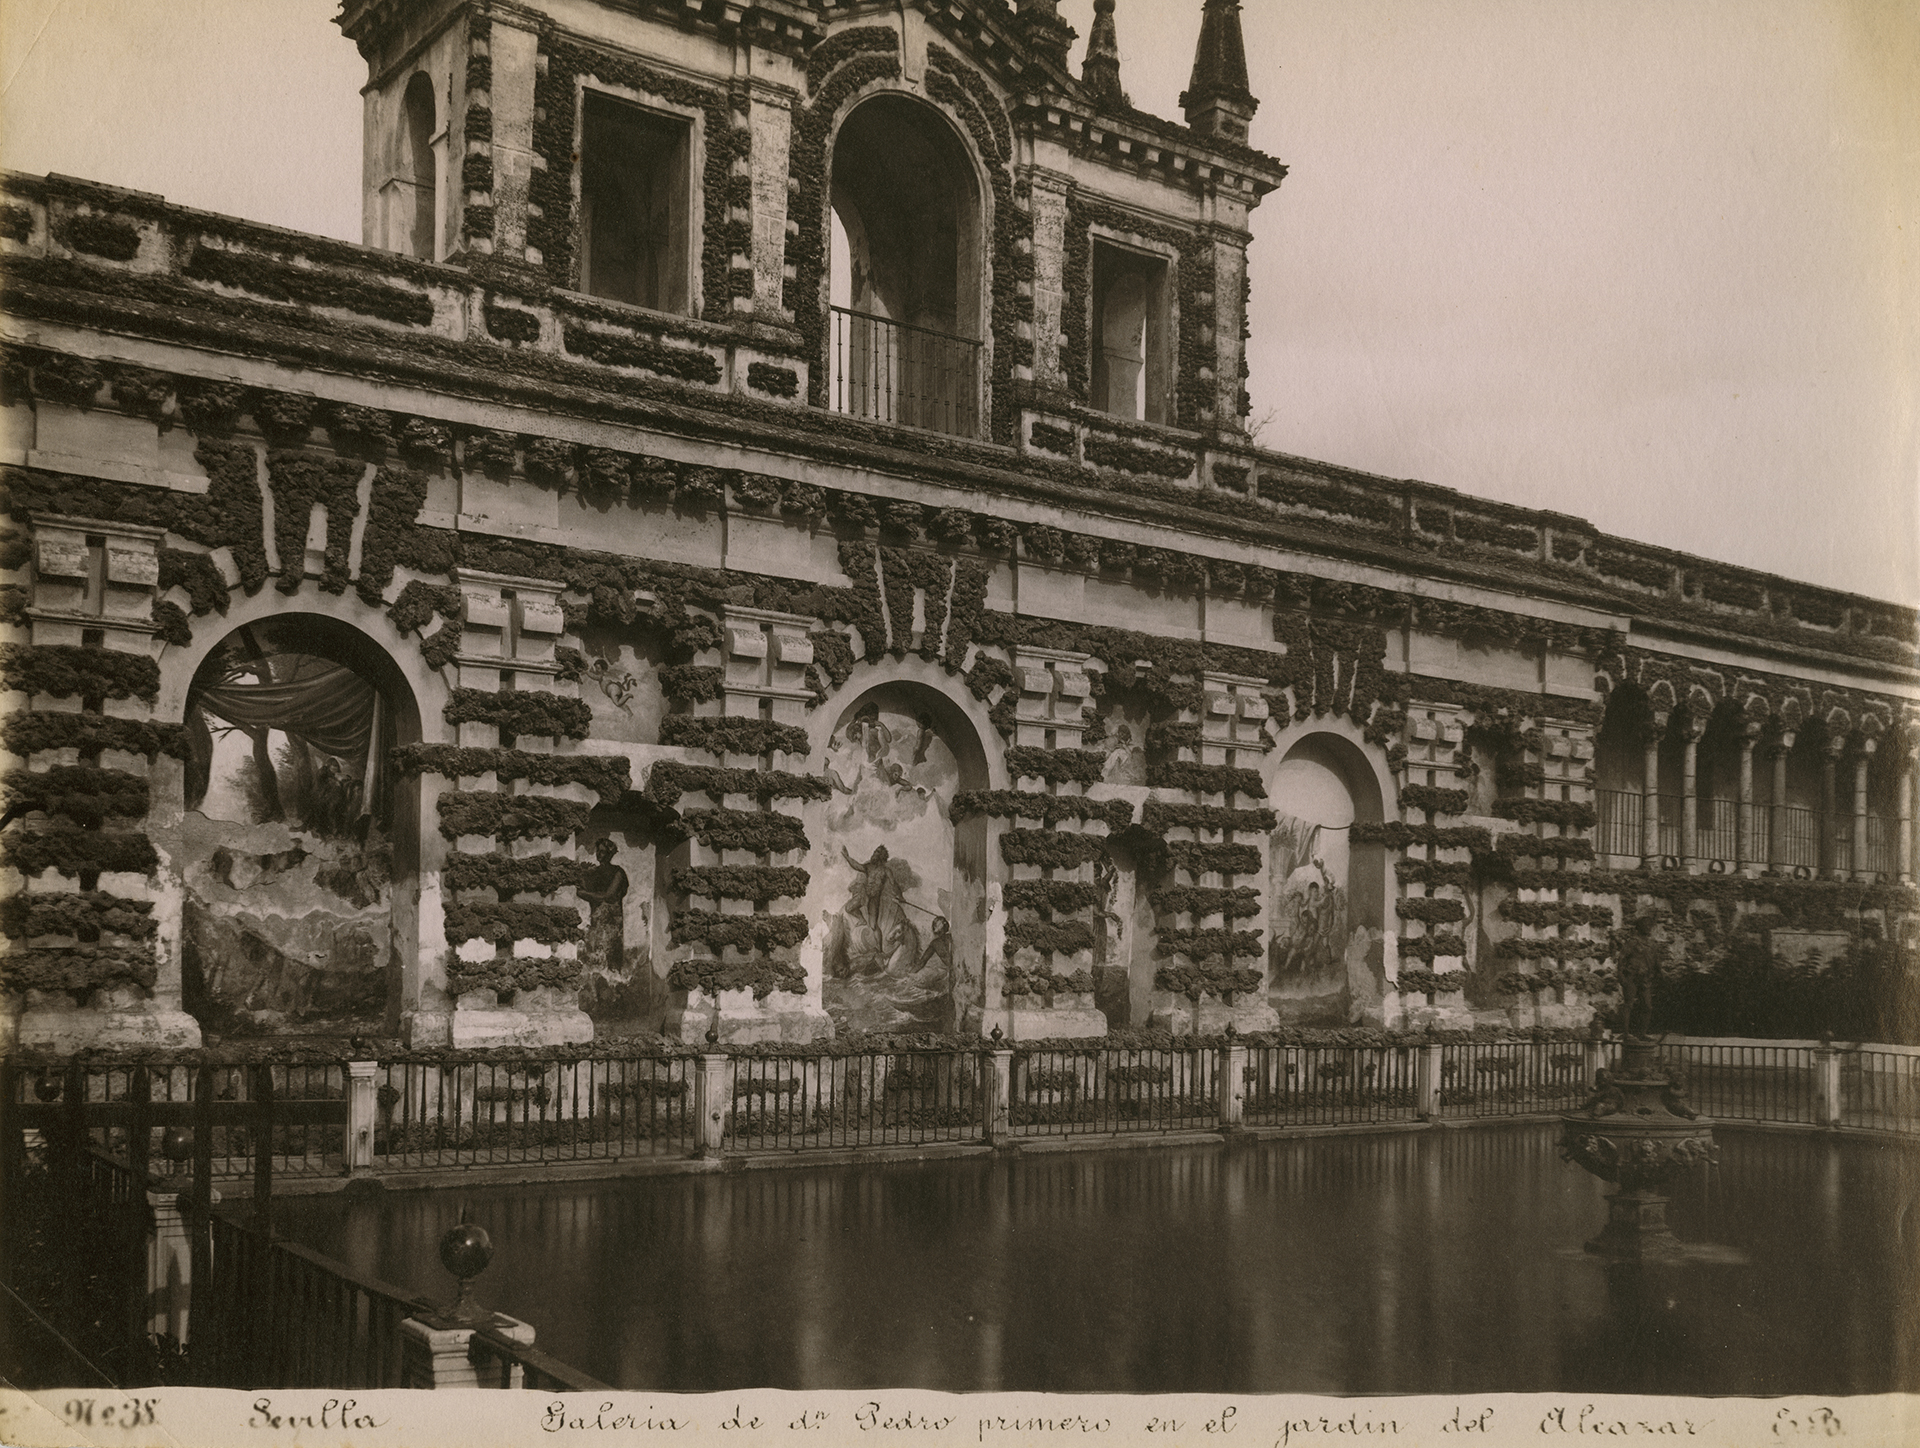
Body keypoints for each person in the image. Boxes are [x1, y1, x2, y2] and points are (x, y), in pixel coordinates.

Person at [578, 839, 629, 973]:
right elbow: (582, 890)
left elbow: (608, 895)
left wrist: (587, 893)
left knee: (611, 957)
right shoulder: (594, 872)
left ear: (610, 854)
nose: (599, 855)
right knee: (595, 956)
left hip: (612, 921)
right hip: (597, 918)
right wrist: (583, 874)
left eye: (602, 852)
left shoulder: (618, 872)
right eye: (598, 851)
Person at [1617, 911, 1662, 1036]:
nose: (1649, 928)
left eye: (1650, 926)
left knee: (1647, 1007)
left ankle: (1642, 1033)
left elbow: (1656, 961)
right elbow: (1622, 958)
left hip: (1646, 978)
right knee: (1629, 1004)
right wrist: (1621, 975)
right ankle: (1625, 1032)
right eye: (1646, 925)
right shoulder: (1633, 942)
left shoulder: (1652, 944)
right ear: (1640, 927)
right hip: (1632, 977)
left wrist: (1661, 972)